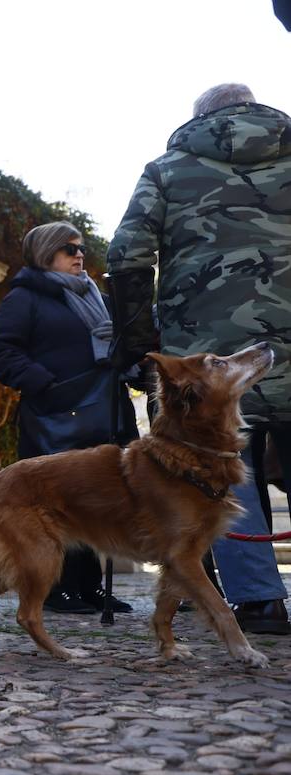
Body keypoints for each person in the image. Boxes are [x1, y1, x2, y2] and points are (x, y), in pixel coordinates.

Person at [108, 83, 291, 636]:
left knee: (219, 471)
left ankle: (259, 603)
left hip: (205, 358)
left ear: (200, 119)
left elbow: (127, 254)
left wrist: (140, 345)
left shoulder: (168, 169)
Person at [0, 221, 139, 615]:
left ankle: (90, 588)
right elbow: (2, 354)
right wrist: (50, 385)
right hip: (57, 417)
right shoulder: (25, 298)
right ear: (46, 253)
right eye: (69, 249)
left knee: (98, 502)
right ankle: (57, 588)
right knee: (58, 504)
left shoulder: (98, 298)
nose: (79, 254)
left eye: (81, 248)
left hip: (106, 413)